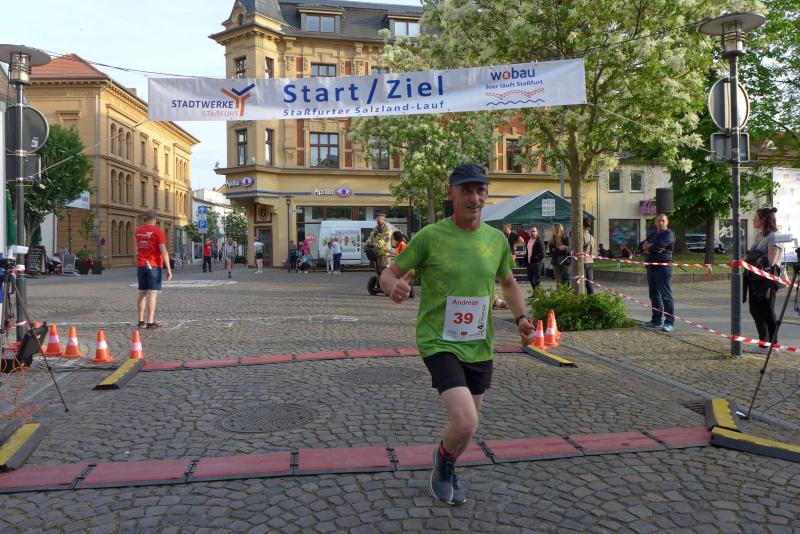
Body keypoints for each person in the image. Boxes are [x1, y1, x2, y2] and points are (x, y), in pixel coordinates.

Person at [380, 163, 535, 506]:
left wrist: (522, 318)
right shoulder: (430, 237)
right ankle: (444, 466)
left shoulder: (496, 240)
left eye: (480, 190)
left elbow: (509, 283)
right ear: (451, 193)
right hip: (439, 341)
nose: (474, 198)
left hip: (479, 343)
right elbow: (388, 274)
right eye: (467, 190)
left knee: (470, 423)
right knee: (465, 423)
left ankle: (446, 461)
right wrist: (393, 287)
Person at [745, 207, 783, 348]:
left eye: (756, 217)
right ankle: (764, 342)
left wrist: (753, 260)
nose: (753, 219)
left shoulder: (774, 236)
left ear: (763, 219)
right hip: (755, 279)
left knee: (767, 311)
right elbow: (751, 255)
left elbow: (771, 262)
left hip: (767, 280)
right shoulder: (759, 236)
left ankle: (773, 343)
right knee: (755, 310)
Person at [135, 210, 173, 330]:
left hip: (141, 265)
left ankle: (141, 321)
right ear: (156, 219)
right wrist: (169, 269)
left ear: (145, 219)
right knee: (152, 293)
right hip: (154, 266)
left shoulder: (138, 231)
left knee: (142, 293)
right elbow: (164, 251)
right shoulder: (158, 232)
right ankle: (150, 322)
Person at [642, 213, 675, 332]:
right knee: (653, 294)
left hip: (663, 268)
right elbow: (640, 246)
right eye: (658, 220)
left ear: (667, 222)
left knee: (665, 295)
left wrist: (649, 247)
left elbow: (657, 248)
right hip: (651, 267)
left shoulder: (668, 234)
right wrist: (649, 246)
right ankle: (656, 320)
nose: (660, 222)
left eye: (663, 220)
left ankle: (669, 322)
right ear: (655, 222)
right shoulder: (652, 234)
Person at [524, 226, 545, 293]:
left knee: (537, 279)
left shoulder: (539, 241)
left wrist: (536, 259)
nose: (533, 233)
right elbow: (528, 252)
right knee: (530, 278)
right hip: (529, 263)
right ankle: (535, 293)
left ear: (537, 232)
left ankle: (538, 294)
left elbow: (542, 253)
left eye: (534, 231)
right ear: (529, 232)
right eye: (531, 231)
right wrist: (525, 260)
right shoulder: (528, 240)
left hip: (537, 263)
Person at [581, 218, 597, 295]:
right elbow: (594, 250)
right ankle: (591, 298)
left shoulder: (581, 236)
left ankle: (583, 298)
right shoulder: (591, 237)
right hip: (590, 261)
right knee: (589, 282)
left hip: (583, 261)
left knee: (581, 282)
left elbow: (578, 250)